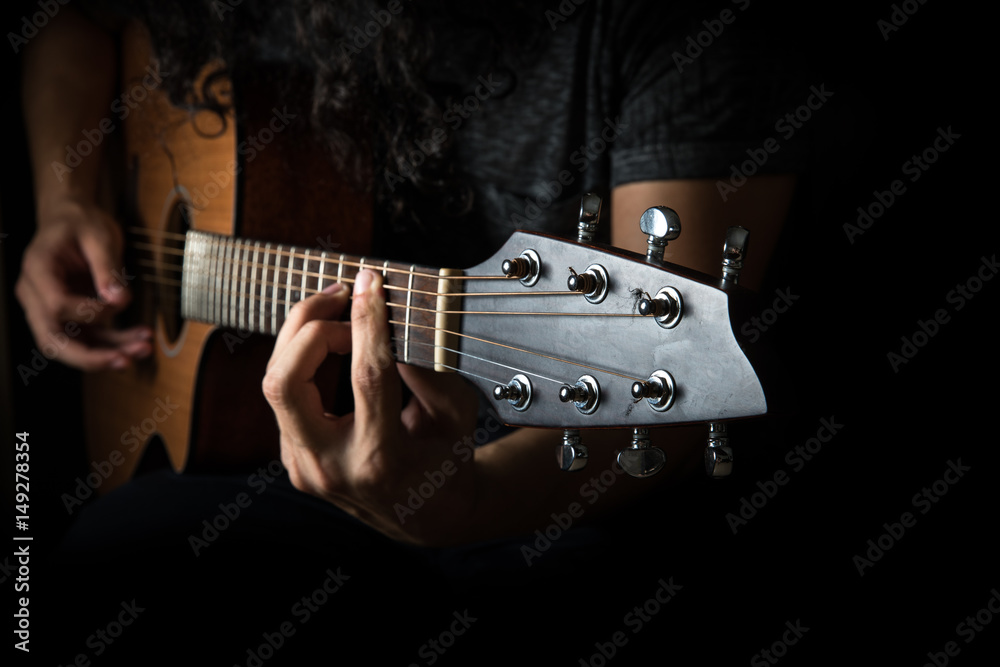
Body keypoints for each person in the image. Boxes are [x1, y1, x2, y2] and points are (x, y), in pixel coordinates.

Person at [14, 0, 811, 662]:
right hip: (275, 463)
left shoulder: (677, 26)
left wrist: (462, 499)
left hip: (548, 502)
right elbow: (72, 21)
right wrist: (68, 201)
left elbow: (672, 387)